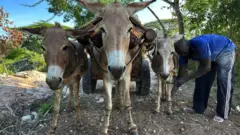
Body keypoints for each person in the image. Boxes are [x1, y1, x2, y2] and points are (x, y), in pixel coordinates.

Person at [172, 34, 236, 123]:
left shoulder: (200, 43)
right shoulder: (182, 54)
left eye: (185, 53)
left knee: (223, 80)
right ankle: (198, 108)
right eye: (181, 54)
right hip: (209, 56)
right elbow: (181, 74)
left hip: (225, 50)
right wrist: (177, 82)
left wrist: (186, 79)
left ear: (188, 45)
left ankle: (222, 113)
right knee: (201, 79)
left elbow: (206, 67)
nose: (183, 55)